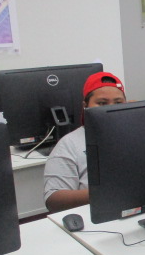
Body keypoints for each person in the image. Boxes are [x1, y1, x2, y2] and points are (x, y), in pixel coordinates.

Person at [43, 71, 126, 213]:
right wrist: (106, 192)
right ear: (85, 106)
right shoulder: (69, 144)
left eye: (118, 103)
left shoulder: (138, 135)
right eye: (102, 103)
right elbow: (53, 200)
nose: (111, 108)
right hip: (94, 215)